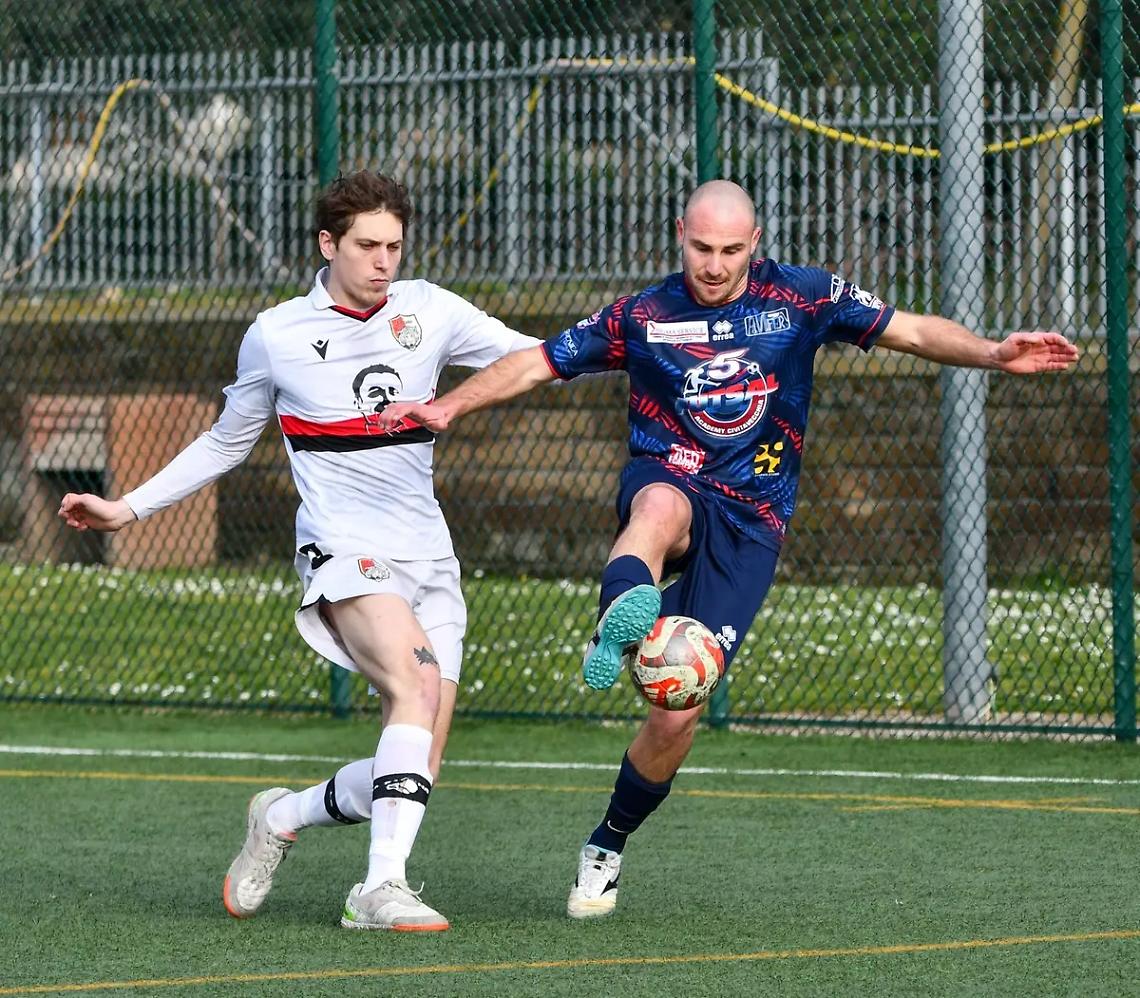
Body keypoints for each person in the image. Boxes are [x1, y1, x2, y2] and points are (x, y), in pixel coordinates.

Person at [375, 179, 1080, 919]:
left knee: (676, 713)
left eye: (730, 251)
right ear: (681, 232)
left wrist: (996, 353)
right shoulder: (643, 316)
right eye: (701, 248)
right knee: (656, 504)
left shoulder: (805, 298)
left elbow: (912, 331)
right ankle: (618, 618)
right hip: (672, 478)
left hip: (751, 522)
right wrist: (449, 404)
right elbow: (538, 361)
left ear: (756, 241)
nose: (713, 265)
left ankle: (608, 842)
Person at [57, 170, 539, 931]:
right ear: (328, 244)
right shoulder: (277, 333)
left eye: (395, 247)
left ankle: (283, 815)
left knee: (412, 766)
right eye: (368, 246)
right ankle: (379, 890)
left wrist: (644, 350)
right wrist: (127, 507)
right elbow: (226, 442)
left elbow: (536, 357)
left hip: (429, 555)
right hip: (343, 551)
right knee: (414, 690)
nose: (384, 262)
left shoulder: (430, 311)